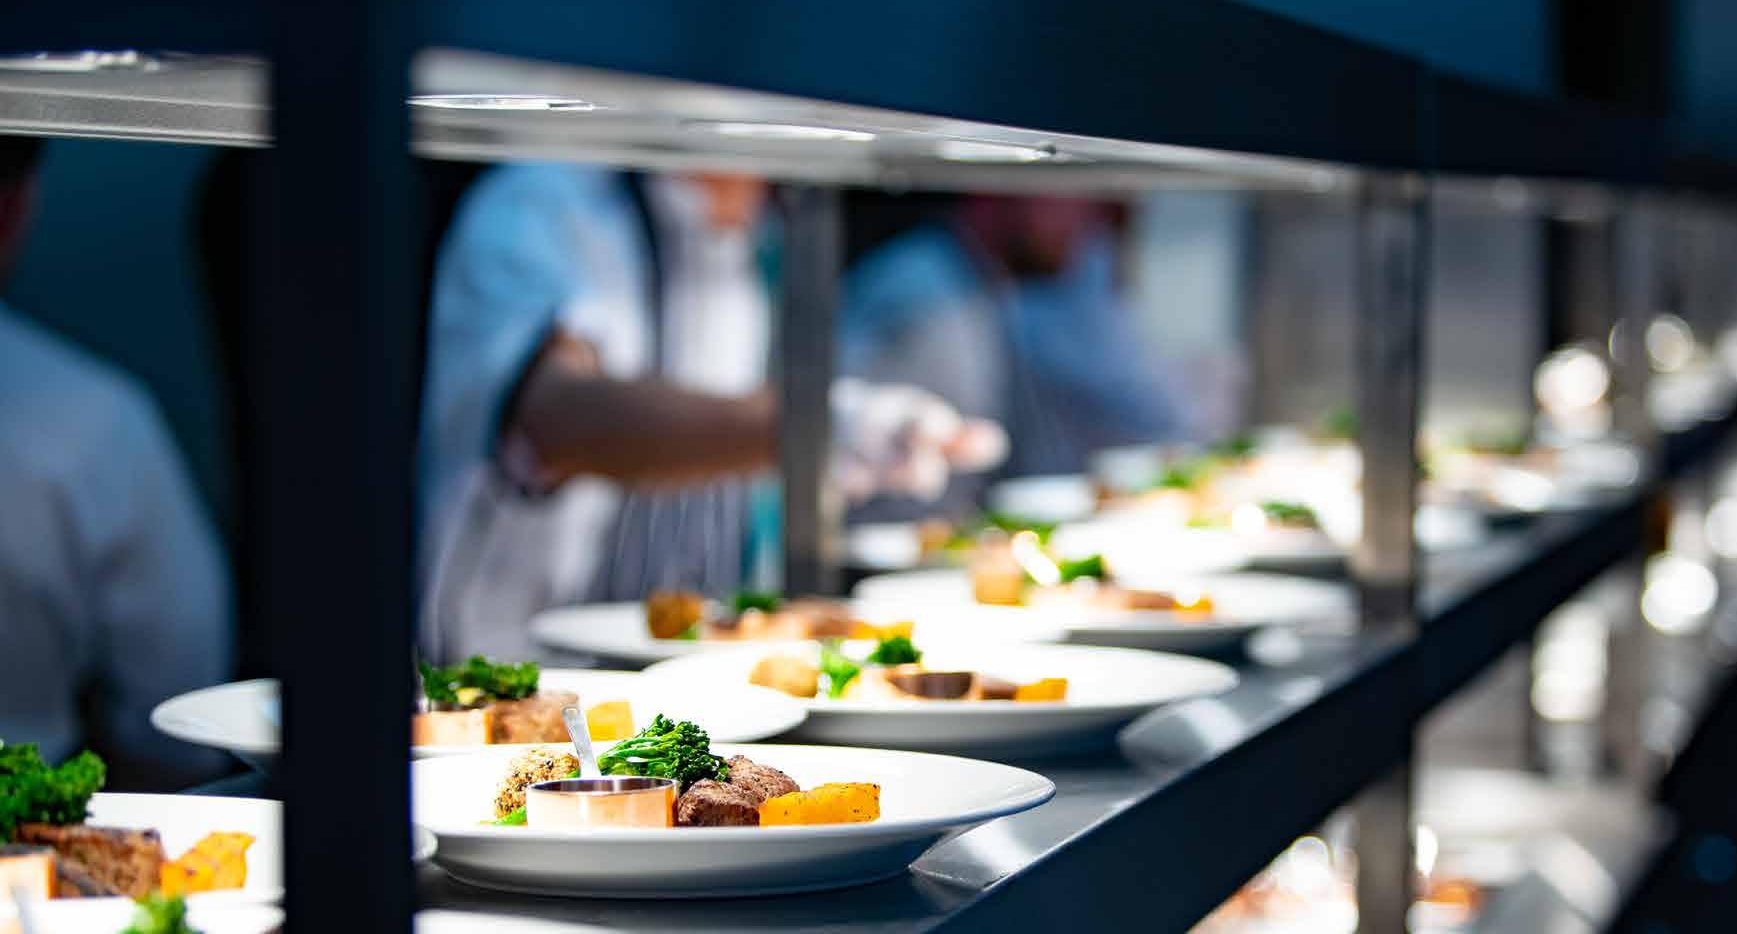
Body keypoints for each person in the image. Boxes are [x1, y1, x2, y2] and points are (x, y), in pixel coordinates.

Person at [419, 165, 1002, 660]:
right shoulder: (547, 203)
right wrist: (812, 430)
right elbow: (557, 417)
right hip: (511, 675)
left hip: (700, 677)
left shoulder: (769, 236)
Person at [0, 136, 233, 788]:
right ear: (16, 206)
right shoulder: (91, 422)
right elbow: (179, 716)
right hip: (29, 824)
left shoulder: (90, 422)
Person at [839, 194, 1195, 503]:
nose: (1089, 215)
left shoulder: (987, 283)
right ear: (993, 189)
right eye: (1072, 192)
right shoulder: (918, 292)